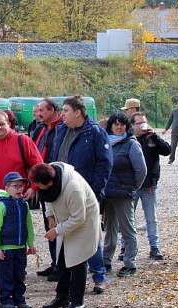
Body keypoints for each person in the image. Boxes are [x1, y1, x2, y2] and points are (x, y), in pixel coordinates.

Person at [51, 96, 112, 294]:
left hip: (85, 193)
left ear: (78, 112)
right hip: (63, 192)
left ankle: (99, 276)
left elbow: (104, 164)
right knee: (67, 234)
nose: (62, 115)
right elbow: (55, 158)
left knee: (89, 236)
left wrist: (94, 192)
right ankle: (69, 278)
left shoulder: (95, 133)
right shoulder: (60, 130)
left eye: (66, 110)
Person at [0, 110, 42, 283]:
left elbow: (37, 165)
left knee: (16, 231)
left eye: (2, 124)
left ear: (9, 124)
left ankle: (17, 266)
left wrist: (33, 188)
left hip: (17, 197)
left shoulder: (23, 141)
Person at [32, 162, 100, 308]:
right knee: (62, 260)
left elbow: (79, 218)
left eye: (39, 185)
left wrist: (57, 231)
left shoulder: (73, 188)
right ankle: (62, 297)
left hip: (84, 223)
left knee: (77, 261)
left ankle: (77, 301)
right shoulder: (51, 176)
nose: (37, 188)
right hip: (66, 221)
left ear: (49, 182)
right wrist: (50, 216)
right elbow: (48, 199)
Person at [101, 113, 146, 277]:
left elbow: (141, 170)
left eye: (122, 125)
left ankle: (130, 263)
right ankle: (106, 260)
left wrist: (132, 188)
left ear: (127, 127)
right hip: (107, 194)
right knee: (109, 228)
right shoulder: (106, 143)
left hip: (123, 193)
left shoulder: (132, 145)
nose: (119, 127)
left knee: (127, 229)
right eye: (116, 124)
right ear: (111, 126)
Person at [0, 172, 35, 308]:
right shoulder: (2, 205)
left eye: (21, 186)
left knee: (19, 275)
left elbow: (29, 225)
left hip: (20, 247)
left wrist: (31, 243)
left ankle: (19, 299)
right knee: (6, 275)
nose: (19, 189)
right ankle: (5, 300)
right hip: (6, 248)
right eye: (15, 186)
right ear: (7, 187)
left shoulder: (24, 205)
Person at [132, 113, 171, 260]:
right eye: (139, 123)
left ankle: (154, 247)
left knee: (151, 218)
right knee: (128, 218)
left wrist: (154, 136)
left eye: (144, 122)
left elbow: (167, 150)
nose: (143, 126)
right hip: (133, 186)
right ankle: (126, 247)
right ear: (133, 125)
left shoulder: (151, 138)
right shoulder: (129, 140)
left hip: (149, 186)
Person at [31, 98, 62, 280]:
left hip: (57, 182)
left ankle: (62, 265)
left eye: (42, 110)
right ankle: (55, 262)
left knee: (59, 224)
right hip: (43, 182)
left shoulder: (61, 129)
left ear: (52, 110)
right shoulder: (40, 129)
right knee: (48, 223)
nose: (38, 113)